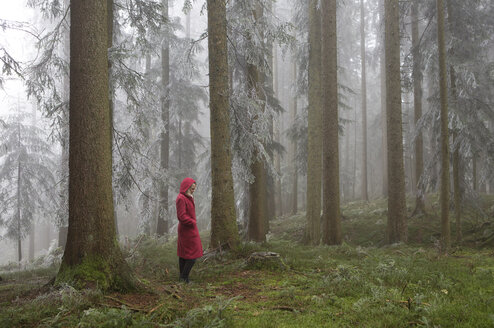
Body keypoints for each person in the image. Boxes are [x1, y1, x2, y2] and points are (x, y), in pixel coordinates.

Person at [176, 177, 203, 283]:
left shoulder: (188, 197)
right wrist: (192, 222)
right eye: (192, 188)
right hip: (187, 230)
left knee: (185, 254)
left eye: (194, 188)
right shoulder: (181, 198)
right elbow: (181, 216)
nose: (193, 190)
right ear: (186, 187)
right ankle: (184, 277)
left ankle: (182, 278)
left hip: (190, 229)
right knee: (191, 256)